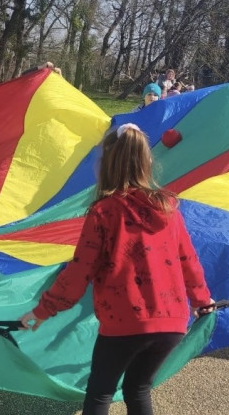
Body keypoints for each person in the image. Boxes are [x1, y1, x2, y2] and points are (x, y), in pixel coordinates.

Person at [19, 123, 214, 415]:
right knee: (138, 389)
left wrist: (41, 311)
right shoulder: (168, 209)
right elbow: (189, 261)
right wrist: (202, 301)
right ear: (146, 163)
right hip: (171, 324)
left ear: (108, 165)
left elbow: (78, 274)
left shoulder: (104, 212)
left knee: (100, 393)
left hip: (125, 322)